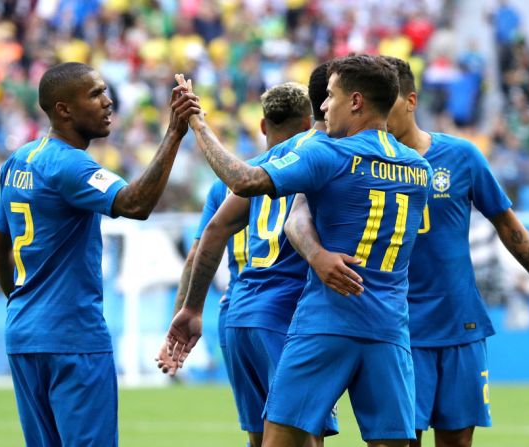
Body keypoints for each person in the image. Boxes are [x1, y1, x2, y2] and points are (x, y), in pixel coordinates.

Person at [284, 56, 529, 447]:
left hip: (459, 324)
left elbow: (507, 223)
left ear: (409, 102)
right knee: (403, 440)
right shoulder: (347, 156)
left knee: (457, 442)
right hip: (400, 324)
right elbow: (299, 213)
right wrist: (316, 255)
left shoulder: (461, 157)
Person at [168, 55, 432, 447]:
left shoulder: (328, 153)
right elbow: (303, 215)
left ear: (355, 102)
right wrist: (317, 253)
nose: (323, 107)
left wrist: (198, 124)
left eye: (330, 97)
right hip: (388, 325)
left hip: (325, 321)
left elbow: (244, 180)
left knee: (280, 441)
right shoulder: (418, 168)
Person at [0, 62, 198, 446]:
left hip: (23, 336)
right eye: (96, 94)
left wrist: (21, 304)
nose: (108, 101)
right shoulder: (71, 166)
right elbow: (135, 204)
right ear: (64, 109)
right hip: (73, 338)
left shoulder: (18, 161)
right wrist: (173, 133)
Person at [168, 77, 339, 447]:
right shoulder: (320, 161)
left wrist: (186, 310)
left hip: (237, 315)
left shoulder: (225, 185)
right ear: (310, 121)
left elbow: (199, 250)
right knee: (304, 436)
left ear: (263, 125)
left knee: (262, 438)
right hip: (287, 314)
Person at [155, 177, 248, 379]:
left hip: (235, 306)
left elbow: (194, 257)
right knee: (299, 408)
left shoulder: (222, 186)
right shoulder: (296, 172)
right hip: (286, 308)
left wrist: (177, 325)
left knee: (253, 409)